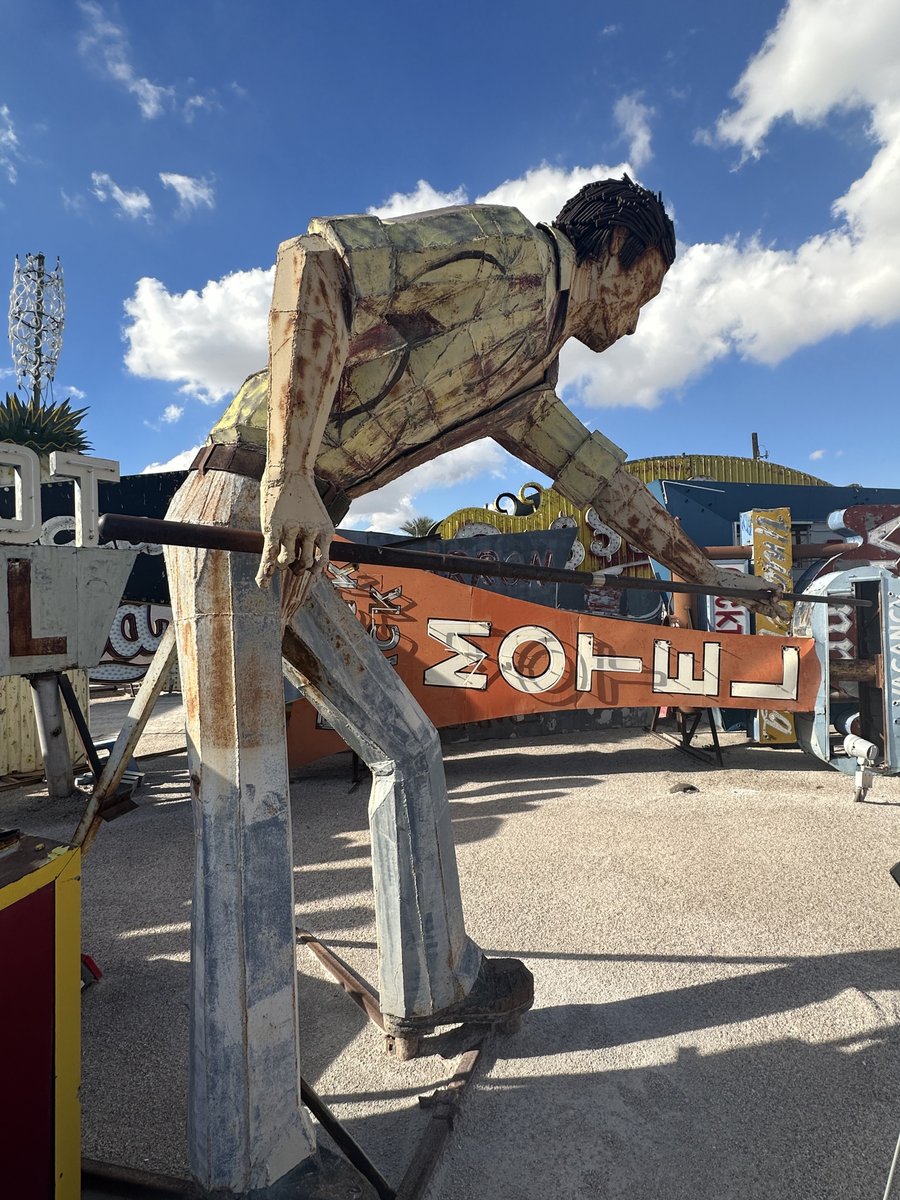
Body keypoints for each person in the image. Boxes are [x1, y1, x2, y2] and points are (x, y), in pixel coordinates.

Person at [164, 176, 778, 1195]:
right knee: (246, 819)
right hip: (240, 507)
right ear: (616, 249)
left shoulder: (525, 368)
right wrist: (290, 479)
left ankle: (434, 981)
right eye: (646, 293)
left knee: (401, 743)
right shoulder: (507, 252)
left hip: (287, 540)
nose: (637, 323)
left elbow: (593, 469)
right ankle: (249, 1158)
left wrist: (695, 564)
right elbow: (315, 260)